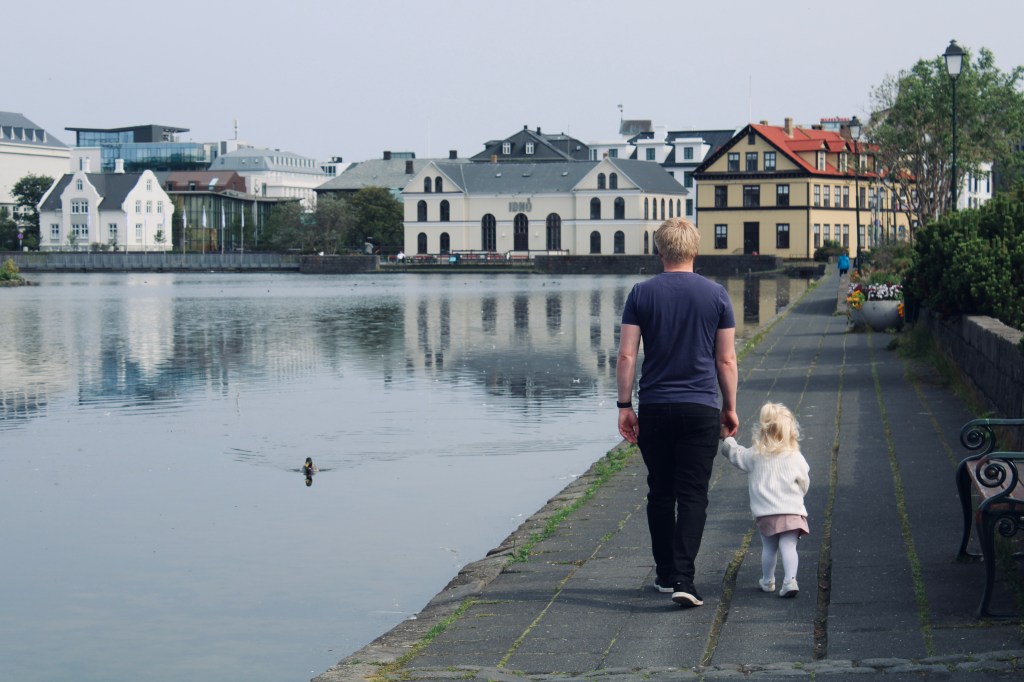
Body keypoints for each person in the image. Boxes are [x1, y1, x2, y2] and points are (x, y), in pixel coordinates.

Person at [616, 217, 739, 608]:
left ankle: (666, 574)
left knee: (660, 492)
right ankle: (686, 579)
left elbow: (627, 354)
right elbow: (726, 359)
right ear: (695, 252)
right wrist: (730, 407)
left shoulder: (640, 293)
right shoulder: (717, 295)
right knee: (692, 495)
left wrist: (624, 406)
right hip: (701, 407)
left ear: (659, 253)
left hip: (655, 407)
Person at [719, 402, 810, 598]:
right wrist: (798, 496)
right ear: (791, 431)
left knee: (769, 548)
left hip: (766, 514)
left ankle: (768, 581)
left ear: (761, 430)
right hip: (792, 511)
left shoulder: (755, 455)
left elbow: (736, 454)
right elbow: (804, 481)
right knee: (789, 546)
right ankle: (790, 580)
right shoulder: (795, 456)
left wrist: (727, 439)